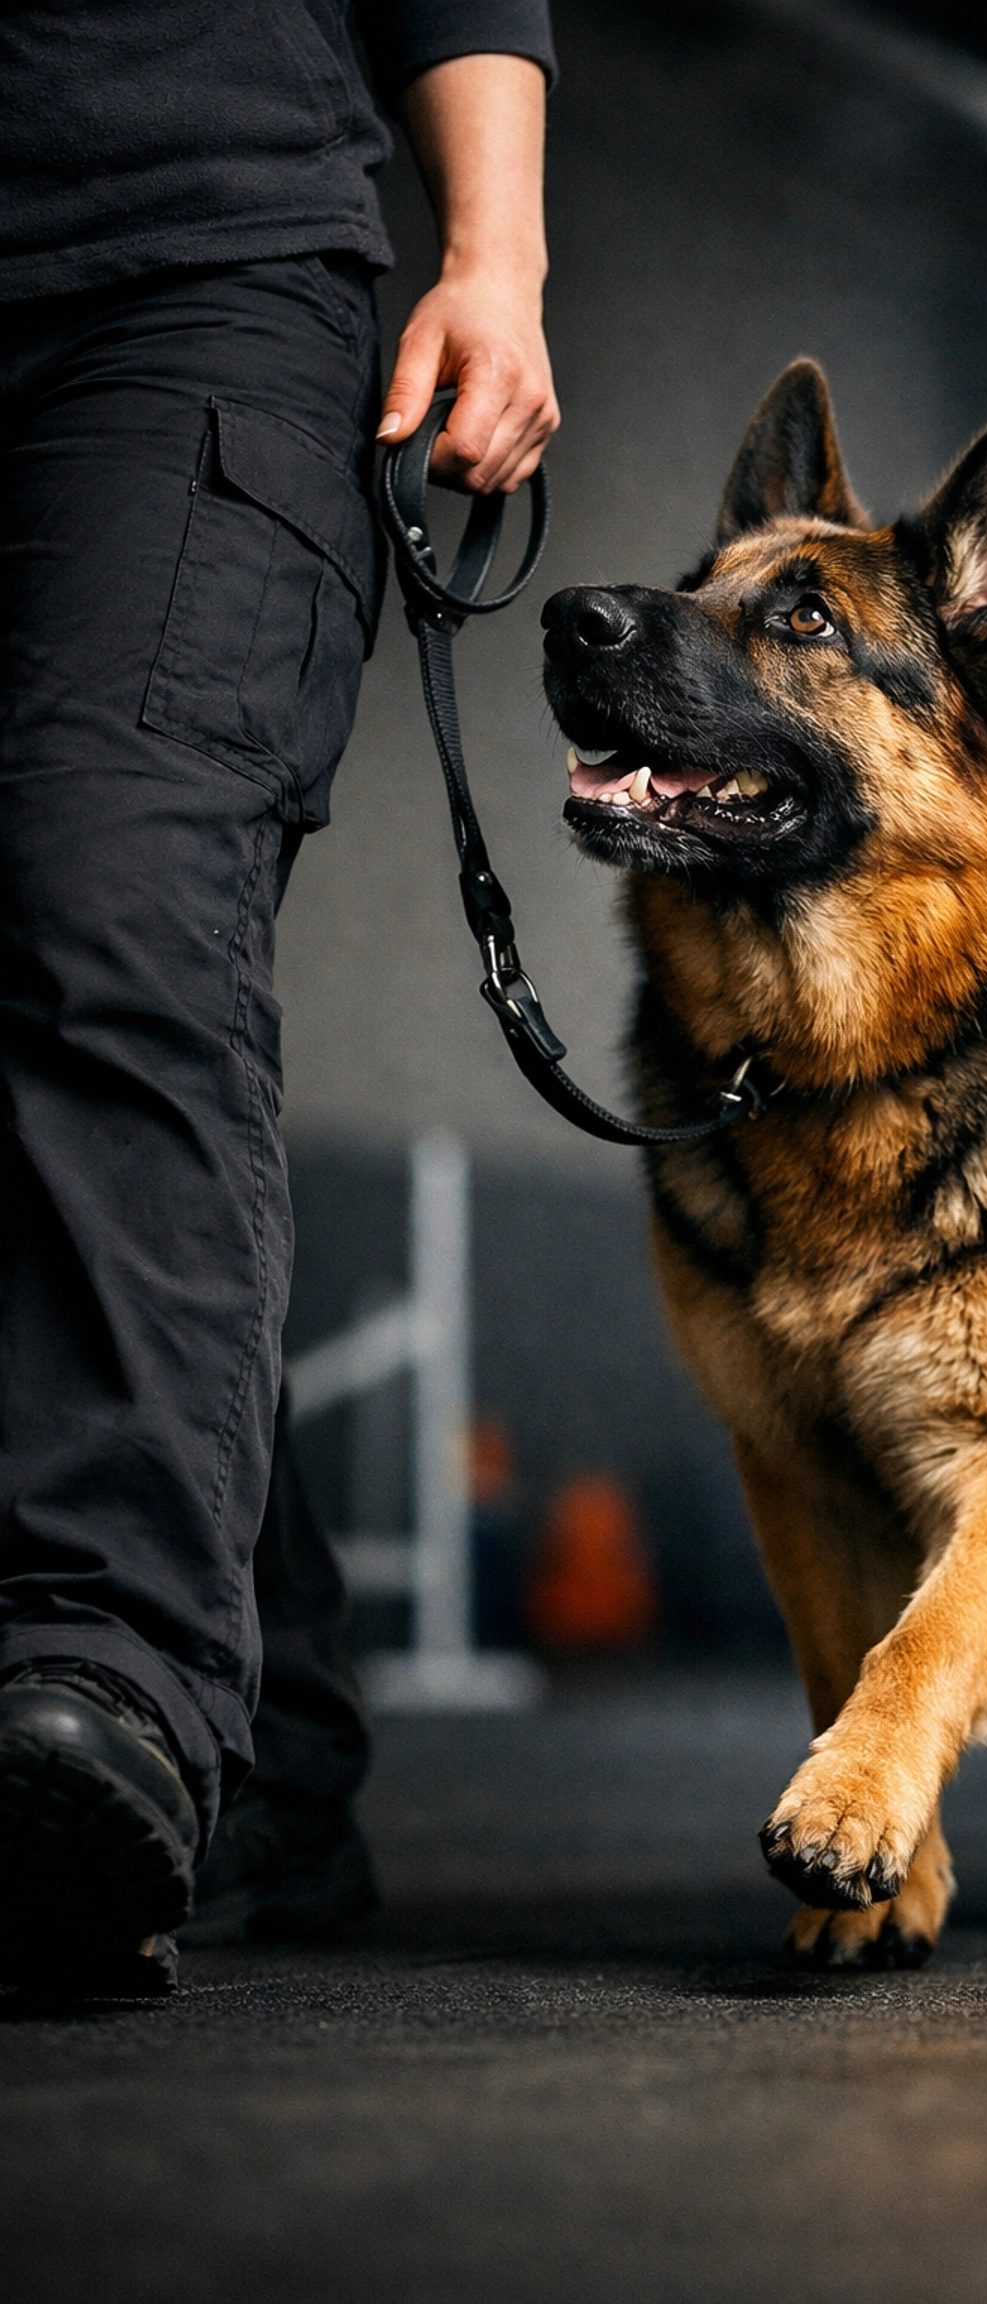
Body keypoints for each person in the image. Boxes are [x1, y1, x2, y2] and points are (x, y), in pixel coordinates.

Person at [0, 1, 558, 1994]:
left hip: (186, 279)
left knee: (108, 897)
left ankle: (97, 1679)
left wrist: (498, 255)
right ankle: (275, 1763)